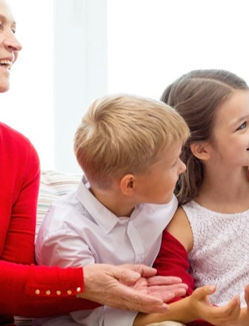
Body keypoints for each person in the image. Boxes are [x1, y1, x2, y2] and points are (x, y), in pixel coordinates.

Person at [0, 0, 186, 326]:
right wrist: (83, 283)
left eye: (14, 29)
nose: (15, 44)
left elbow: (11, 296)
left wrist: (108, 291)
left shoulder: (18, 152)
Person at [135, 69, 249, 326]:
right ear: (202, 149)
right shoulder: (183, 224)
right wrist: (245, 318)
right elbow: (176, 307)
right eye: (243, 125)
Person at [35, 93, 193, 325]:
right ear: (130, 184)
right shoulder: (64, 233)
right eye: (172, 164)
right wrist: (188, 310)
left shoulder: (159, 199)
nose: (182, 167)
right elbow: (95, 316)